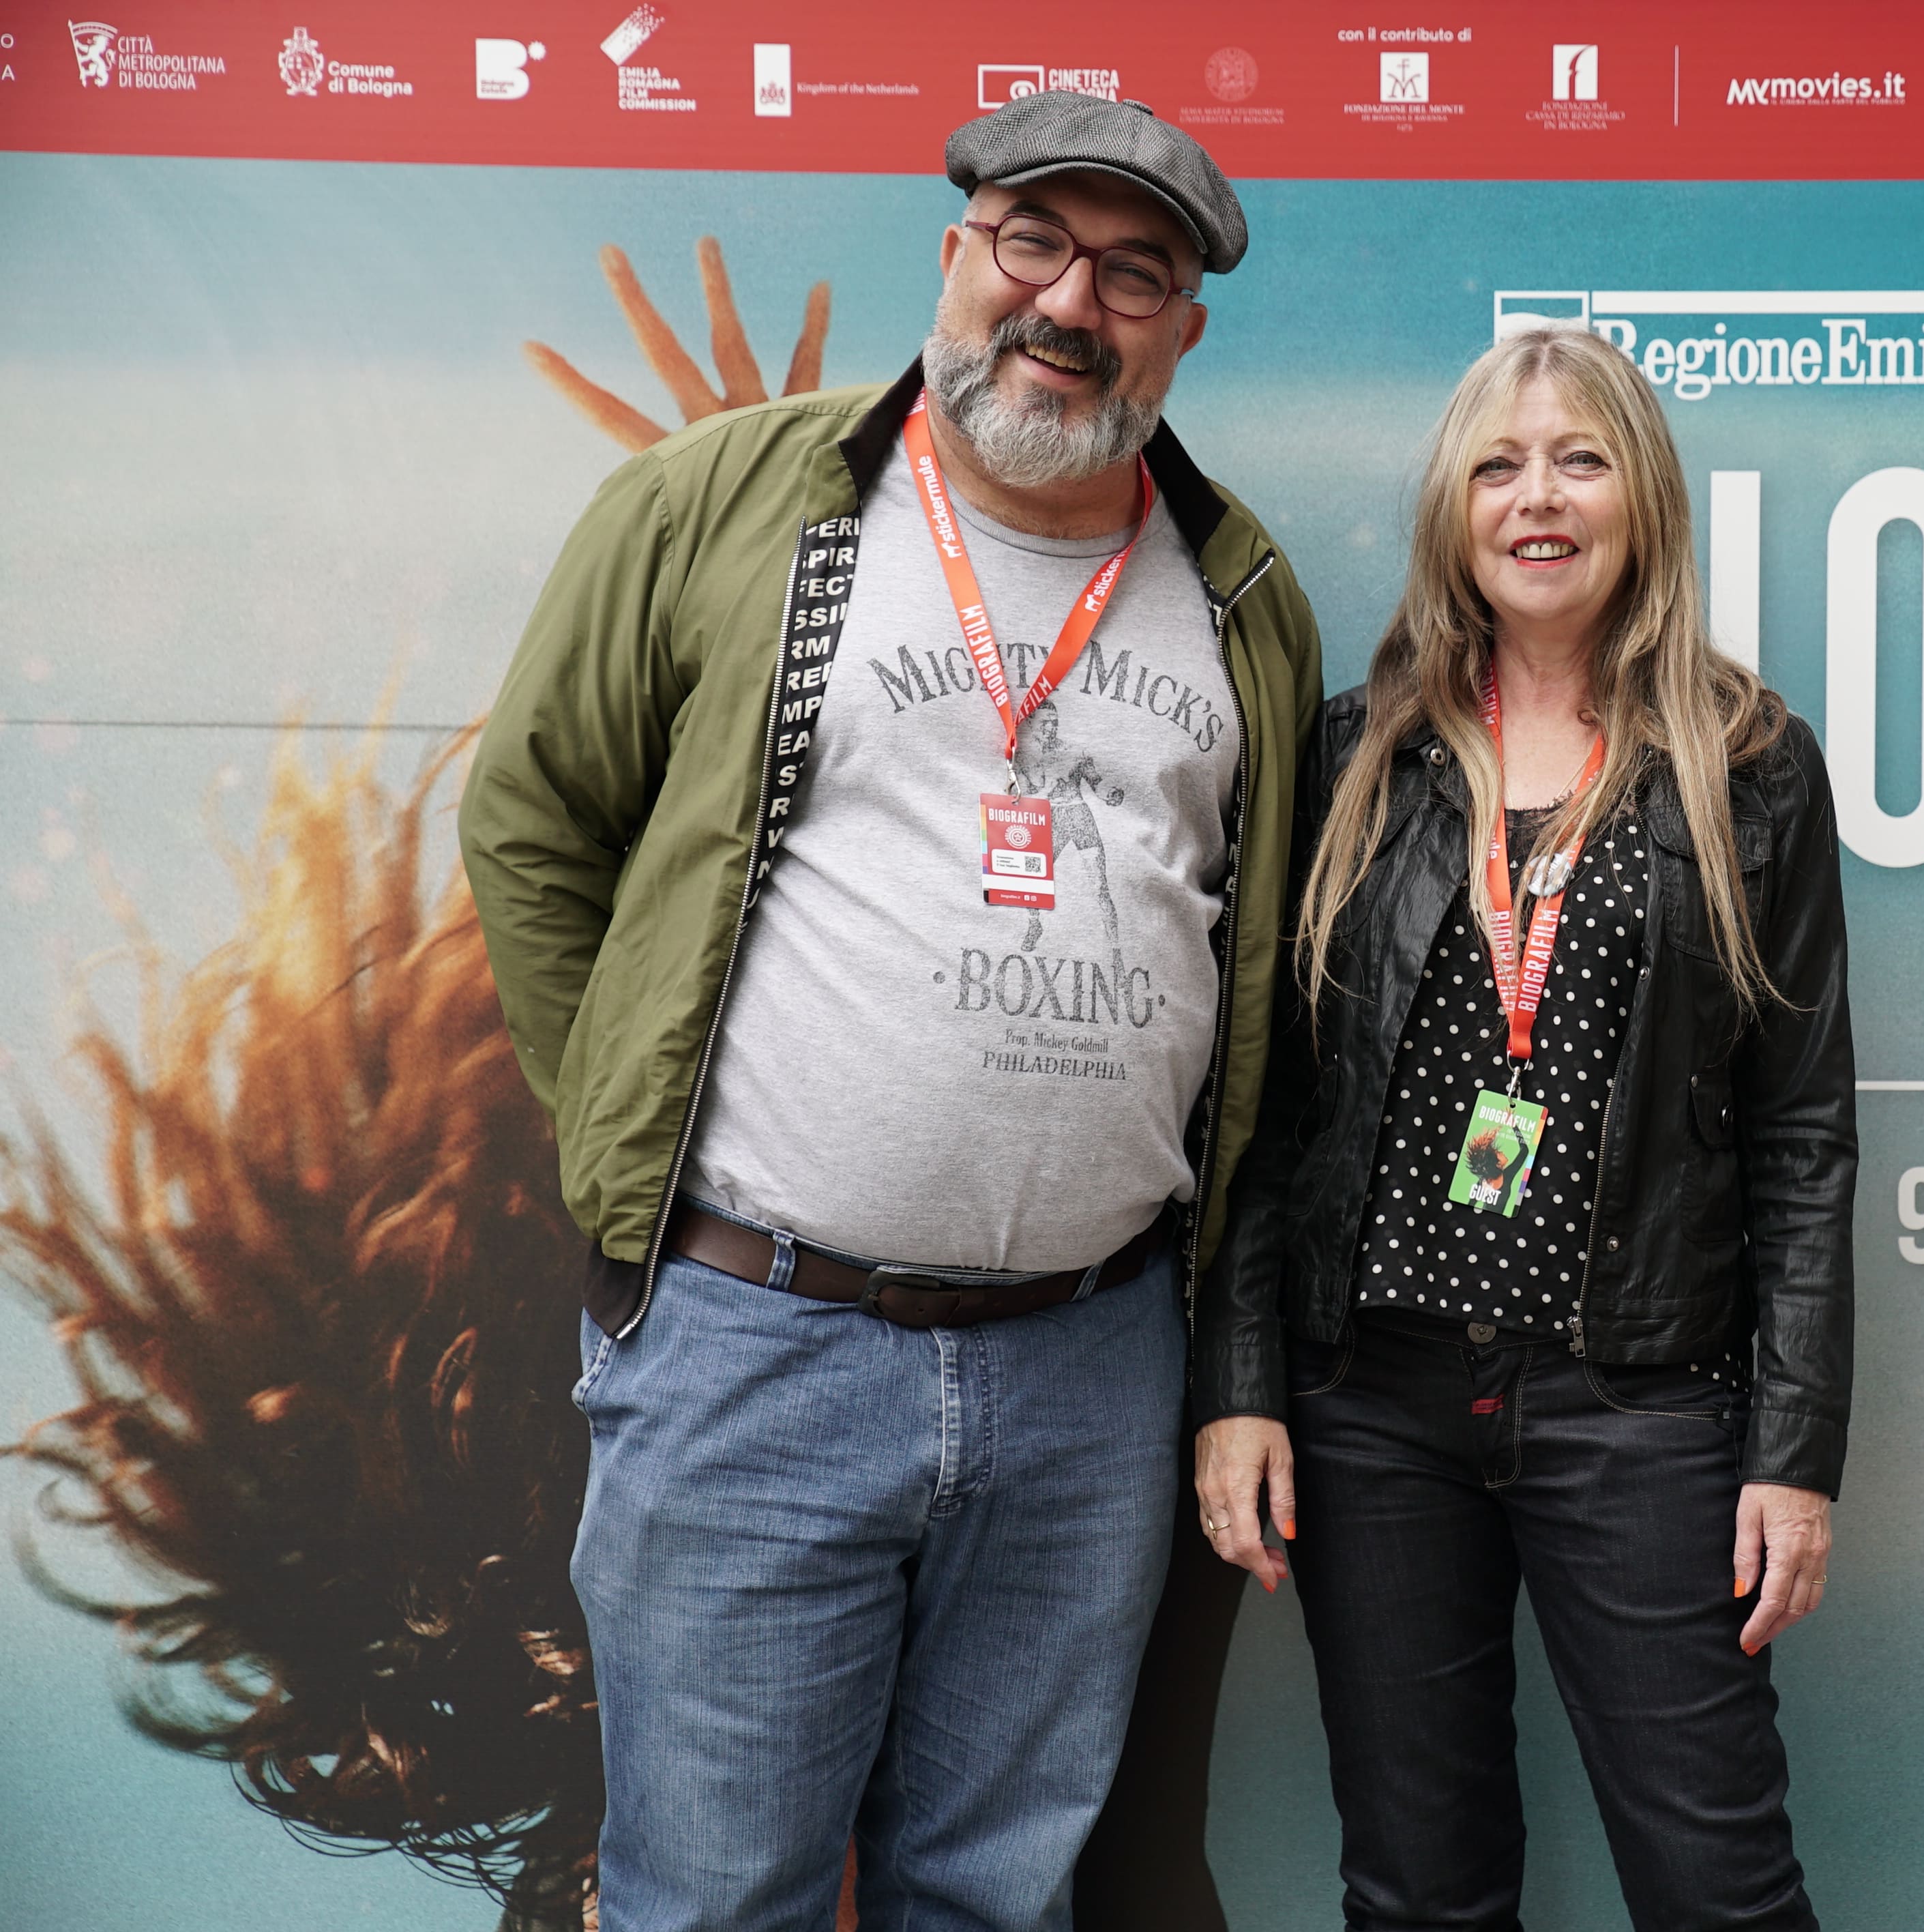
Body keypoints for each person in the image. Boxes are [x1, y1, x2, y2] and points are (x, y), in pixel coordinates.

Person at [460, 89, 1320, 1932]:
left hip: (1091, 1373)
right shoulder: (721, 504)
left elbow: (1246, 967)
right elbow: (533, 823)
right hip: (758, 1345)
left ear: (1182, 329)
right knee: (715, 1899)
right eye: (1033, 242)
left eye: (1132, 272)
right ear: (955, 254)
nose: (1069, 303)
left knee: (994, 1899)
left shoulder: (1241, 596)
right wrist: (627, 1149)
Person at [1192, 325, 1856, 1930]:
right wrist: (1242, 1385)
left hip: (1635, 1404)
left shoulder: (1748, 767)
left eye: (1577, 460)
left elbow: (1800, 1136)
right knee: (1417, 1893)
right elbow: (1266, 1109)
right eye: (1496, 465)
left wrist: (1791, 1456)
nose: (1534, 498)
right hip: (1372, 1407)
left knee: (1717, 1892)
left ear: (1643, 499)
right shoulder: (1354, 755)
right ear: (1452, 509)